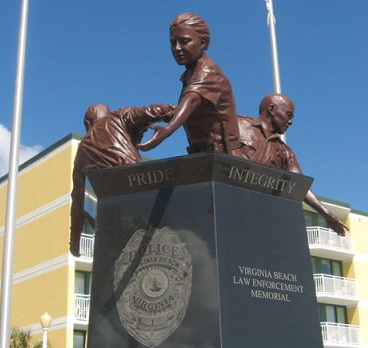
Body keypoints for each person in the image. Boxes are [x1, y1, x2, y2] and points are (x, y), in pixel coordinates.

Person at [70, 103, 175, 256]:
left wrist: (74, 242)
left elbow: (78, 200)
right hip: (139, 195)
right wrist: (180, 111)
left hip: (110, 215)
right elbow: (152, 111)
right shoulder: (120, 117)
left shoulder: (81, 153)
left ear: (87, 124)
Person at [236, 93, 348, 236]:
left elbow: (299, 185)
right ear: (271, 109)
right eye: (289, 115)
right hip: (228, 202)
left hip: (259, 215)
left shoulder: (285, 152)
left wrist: (326, 214)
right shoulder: (237, 125)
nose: (291, 122)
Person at [138, 12, 244, 156]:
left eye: (184, 41)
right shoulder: (190, 74)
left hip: (224, 158)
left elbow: (191, 100)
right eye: (172, 42)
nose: (176, 48)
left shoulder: (208, 71)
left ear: (203, 42)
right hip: (205, 155)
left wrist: (168, 130)